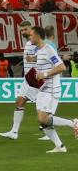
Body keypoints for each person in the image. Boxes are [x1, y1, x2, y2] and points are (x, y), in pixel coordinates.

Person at [30, 25, 78, 153]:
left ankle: (73, 123)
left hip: (51, 89)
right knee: (43, 121)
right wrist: (36, 76)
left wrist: (44, 75)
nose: (29, 37)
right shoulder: (38, 51)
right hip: (43, 88)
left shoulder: (48, 49)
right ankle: (59, 146)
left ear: (38, 36)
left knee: (43, 119)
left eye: (31, 35)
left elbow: (62, 67)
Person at [0, 20, 40, 140]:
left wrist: (33, 59)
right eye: (21, 30)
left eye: (25, 29)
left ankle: (69, 124)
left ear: (31, 28)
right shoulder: (29, 42)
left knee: (42, 108)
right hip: (28, 79)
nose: (23, 32)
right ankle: (14, 132)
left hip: (35, 78)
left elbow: (43, 55)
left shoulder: (36, 41)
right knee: (19, 102)